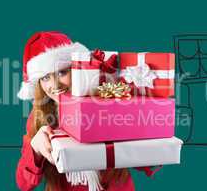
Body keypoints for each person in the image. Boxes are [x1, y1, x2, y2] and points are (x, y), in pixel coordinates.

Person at [16, 31, 154, 191]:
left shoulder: (107, 101)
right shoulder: (38, 117)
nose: (54, 85)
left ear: (77, 69)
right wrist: (36, 151)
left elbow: (147, 163)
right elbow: (24, 184)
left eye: (62, 72)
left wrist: (134, 127)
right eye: (45, 77)